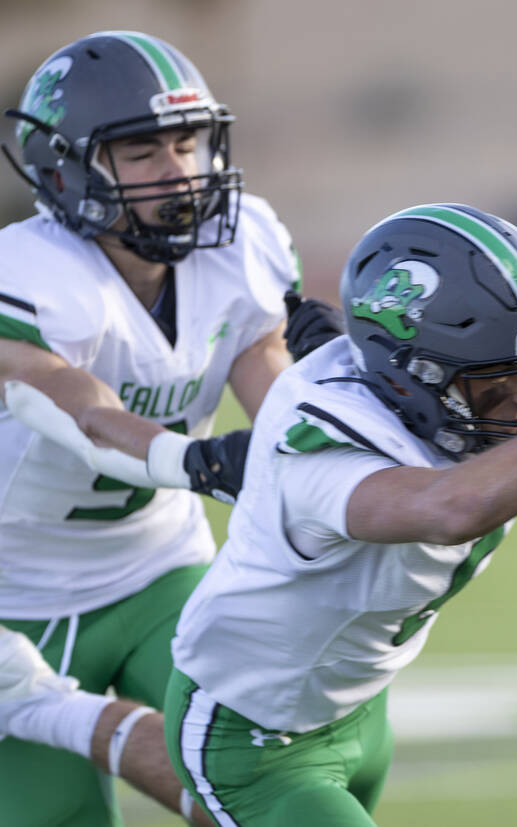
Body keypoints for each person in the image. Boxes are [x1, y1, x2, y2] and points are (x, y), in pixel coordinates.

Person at [0, 202, 517, 825]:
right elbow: (449, 505)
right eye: (498, 380)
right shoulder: (320, 437)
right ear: (417, 375)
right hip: (253, 738)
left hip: (356, 707)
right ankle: (48, 707)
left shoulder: (460, 389)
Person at [0, 30, 304, 825]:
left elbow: (269, 376)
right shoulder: (29, 276)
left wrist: (321, 453)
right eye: (141, 151)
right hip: (16, 598)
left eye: (186, 142)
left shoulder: (237, 245)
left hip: (158, 568)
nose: (178, 171)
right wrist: (194, 459)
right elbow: (84, 405)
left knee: (259, 786)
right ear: (65, 167)